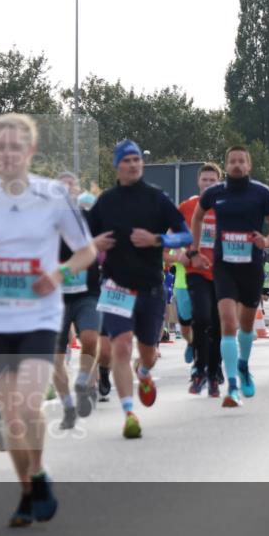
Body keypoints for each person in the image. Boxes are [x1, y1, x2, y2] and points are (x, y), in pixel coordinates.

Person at [0, 113, 96, 527]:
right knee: (10, 414)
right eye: (2, 148)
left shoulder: (52, 196)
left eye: (17, 147)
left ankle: (38, 473)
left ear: (30, 152)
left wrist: (59, 274)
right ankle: (29, 488)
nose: (9, 154)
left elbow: (86, 252)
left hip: (40, 315)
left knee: (28, 405)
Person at [87, 139, 192, 437]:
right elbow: (81, 237)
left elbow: (185, 235)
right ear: (117, 166)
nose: (133, 164)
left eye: (136, 159)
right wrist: (93, 244)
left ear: (141, 164)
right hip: (115, 285)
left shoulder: (156, 199)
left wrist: (158, 240)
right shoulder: (106, 202)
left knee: (148, 353)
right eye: (126, 160)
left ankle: (144, 372)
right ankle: (129, 413)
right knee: (119, 346)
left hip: (150, 287)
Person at [188, 146, 269, 407]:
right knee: (227, 322)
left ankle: (242, 366)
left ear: (249, 165)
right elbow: (196, 219)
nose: (237, 165)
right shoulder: (214, 193)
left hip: (251, 267)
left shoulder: (261, 193)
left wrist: (265, 241)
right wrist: (194, 250)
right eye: (232, 161)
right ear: (227, 165)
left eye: (241, 161)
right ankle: (231, 386)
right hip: (224, 266)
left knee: (245, 326)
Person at [51, 172, 106, 429]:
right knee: (55, 357)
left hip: (88, 292)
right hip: (56, 298)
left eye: (70, 187)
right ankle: (68, 407)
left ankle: (85, 380)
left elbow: (104, 243)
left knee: (90, 338)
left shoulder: (88, 219)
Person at [176, 163, 224, 396]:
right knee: (202, 318)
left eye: (212, 180)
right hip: (196, 272)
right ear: (198, 182)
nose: (208, 184)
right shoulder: (187, 207)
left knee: (218, 325)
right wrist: (178, 254)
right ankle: (199, 369)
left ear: (219, 182)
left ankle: (214, 371)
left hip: (223, 273)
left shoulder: (227, 206)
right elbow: (170, 238)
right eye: (204, 179)